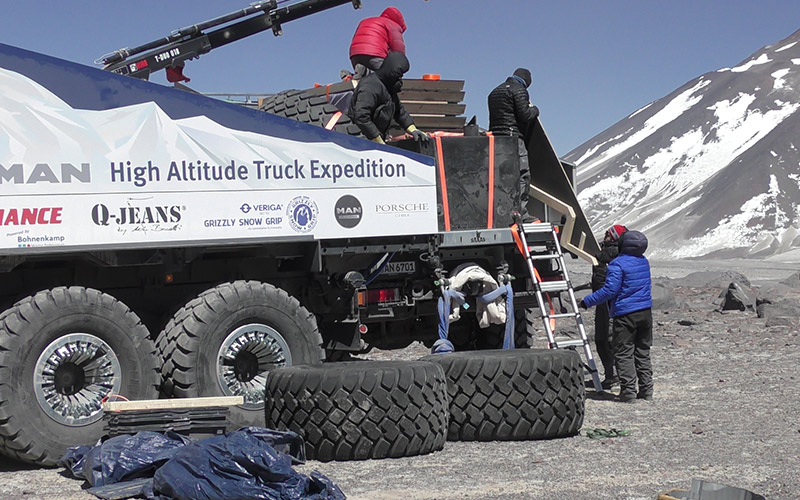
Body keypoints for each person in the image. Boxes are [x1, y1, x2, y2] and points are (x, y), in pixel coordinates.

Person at [579, 230, 653, 403]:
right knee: (642, 351)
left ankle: (628, 392)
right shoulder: (644, 261)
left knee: (624, 352)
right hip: (645, 312)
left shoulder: (617, 264)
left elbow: (610, 290)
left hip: (625, 313)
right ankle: (646, 390)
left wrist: (587, 301)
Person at [487, 68, 540, 222]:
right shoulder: (519, 91)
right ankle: (521, 214)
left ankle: (502, 214)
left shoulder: (494, 92)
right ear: (527, 81)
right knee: (522, 175)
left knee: (502, 178)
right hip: (513, 139)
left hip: (496, 141)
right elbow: (525, 115)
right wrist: (535, 110)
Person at [347, 51, 429, 144]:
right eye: (398, 75)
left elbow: (399, 112)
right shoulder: (370, 86)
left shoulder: (388, 87)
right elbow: (361, 116)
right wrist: (378, 142)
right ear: (391, 72)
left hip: (375, 139)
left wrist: (413, 130)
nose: (400, 80)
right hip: (359, 140)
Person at [591, 224, 628, 390]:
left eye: (607, 234)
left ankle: (613, 375)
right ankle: (615, 374)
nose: (604, 236)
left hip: (608, 301)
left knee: (607, 338)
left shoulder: (609, 255)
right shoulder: (619, 253)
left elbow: (603, 283)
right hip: (610, 302)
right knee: (607, 338)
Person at [349, 7, 407, 79]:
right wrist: (401, 64)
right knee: (388, 76)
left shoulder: (367, 21)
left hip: (355, 54)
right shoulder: (393, 24)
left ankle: (361, 71)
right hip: (374, 54)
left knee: (365, 78)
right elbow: (398, 50)